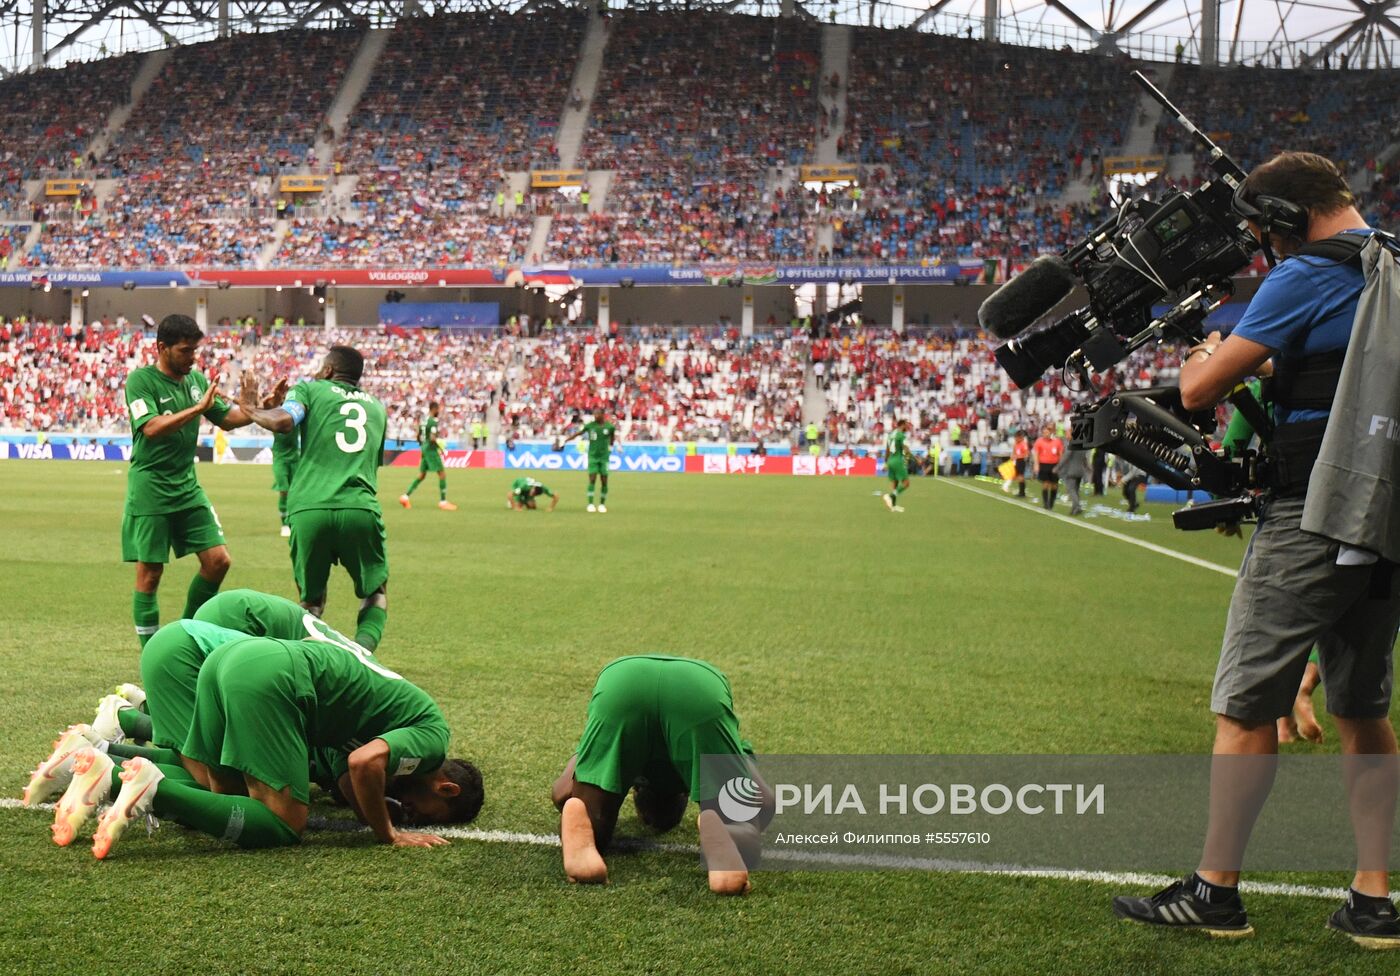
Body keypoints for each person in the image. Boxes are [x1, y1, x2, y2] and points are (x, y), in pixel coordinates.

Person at [1112, 151, 1400, 947]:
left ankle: (1215, 891)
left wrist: (1203, 352)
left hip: (1312, 508)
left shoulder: (1306, 272)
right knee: (1362, 707)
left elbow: (1201, 391)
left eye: (1263, 232)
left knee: (1245, 705)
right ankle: (1375, 899)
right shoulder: (1389, 266)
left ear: (1286, 220)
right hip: (1385, 515)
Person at [58, 631, 483, 859]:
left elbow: (353, 777)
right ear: (446, 788)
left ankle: (106, 768)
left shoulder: (395, 713)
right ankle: (151, 787)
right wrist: (388, 833)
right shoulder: (432, 737)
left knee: (218, 792)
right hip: (273, 678)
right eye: (427, 814)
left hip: (231, 659)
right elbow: (363, 764)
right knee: (285, 824)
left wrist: (370, 807)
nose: (412, 812)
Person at [550, 655, 768, 894]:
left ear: (636, 788)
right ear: (686, 790)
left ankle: (587, 837)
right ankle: (726, 832)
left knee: (593, 826)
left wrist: (574, 798)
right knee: (742, 824)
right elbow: (764, 800)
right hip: (695, 688)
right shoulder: (685, 767)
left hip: (626, 681)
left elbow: (560, 791)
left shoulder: (630, 764)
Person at [235, 347, 391, 652]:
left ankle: (305, 661)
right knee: (375, 593)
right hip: (359, 507)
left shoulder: (309, 389)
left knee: (311, 602)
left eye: (321, 367)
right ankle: (362, 655)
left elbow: (283, 421)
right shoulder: (376, 407)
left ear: (330, 370)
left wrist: (252, 409)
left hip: (309, 510)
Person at [123, 315, 261, 650]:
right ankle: (153, 656)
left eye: (195, 350)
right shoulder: (141, 381)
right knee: (150, 574)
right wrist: (197, 408)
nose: (192, 357)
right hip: (151, 487)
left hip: (187, 486)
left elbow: (228, 419)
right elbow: (151, 427)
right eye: (185, 351)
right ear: (162, 348)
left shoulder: (196, 380)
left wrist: (256, 406)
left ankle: (187, 637)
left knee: (218, 561)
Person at [399, 400, 456, 511]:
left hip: (424, 449)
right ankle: (443, 502)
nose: (439, 411)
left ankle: (405, 497)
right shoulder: (432, 422)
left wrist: (422, 445)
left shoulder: (424, 421)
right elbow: (433, 438)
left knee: (422, 475)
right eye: (438, 409)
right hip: (431, 450)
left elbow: (417, 436)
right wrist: (440, 448)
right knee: (442, 474)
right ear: (433, 409)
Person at [560, 409, 617, 513]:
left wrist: (611, 447)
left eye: (597, 414)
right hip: (592, 456)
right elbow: (579, 433)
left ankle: (602, 504)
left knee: (604, 480)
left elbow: (612, 438)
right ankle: (590, 504)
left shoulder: (610, 427)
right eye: (594, 414)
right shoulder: (590, 426)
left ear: (602, 415)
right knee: (592, 478)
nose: (595, 416)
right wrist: (566, 440)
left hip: (604, 457)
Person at [271, 423, 300, 539]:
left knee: (295, 492)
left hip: (294, 459)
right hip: (280, 460)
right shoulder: (274, 417)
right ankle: (284, 525)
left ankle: (293, 521)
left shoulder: (295, 417)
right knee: (284, 490)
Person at [882, 419, 911, 512]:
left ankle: (893, 506)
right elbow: (906, 449)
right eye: (906, 425)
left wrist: (886, 463)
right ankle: (890, 496)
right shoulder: (901, 435)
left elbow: (887, 450)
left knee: (895, 483)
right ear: (902, 425)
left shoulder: (890, 435)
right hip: (898, 460)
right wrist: (916, 459)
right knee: (906, 483)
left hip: (890, 460)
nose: (907, 427)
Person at [1032, 423, 1064, 510]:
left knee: (1054, 485)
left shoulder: (1057, 441)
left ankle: (1051, 503)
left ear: (1050, 432)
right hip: (1044, 465)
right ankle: (1046, 503)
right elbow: (1036, 453)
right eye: (1044, 433)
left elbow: (1061, 454)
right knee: (1045, 484)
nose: (1045, 434)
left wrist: (1061, 465)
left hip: (1054, 465)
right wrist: (1036, 464)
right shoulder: (1039, 441)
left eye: (1047, 432)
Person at [1057, 443, 1090, 516]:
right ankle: (1075, 507)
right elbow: (1085, 459)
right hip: (1080, 471)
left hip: (1071, 471)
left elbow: (1066, 457)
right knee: (1076, 490)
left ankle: (1077, 507)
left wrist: (1058, 467)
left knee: (1071, 489)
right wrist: (1088, 467)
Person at [1011, 430, 1030, 498]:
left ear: (1020, 437)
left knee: (1021, 476)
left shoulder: (1023, 444)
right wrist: (1013, 456)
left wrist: (1017, 456)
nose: (1015, 439)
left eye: (1017, 437)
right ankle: (1021, 492)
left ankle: (1022, 493)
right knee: (1018, 477)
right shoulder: (1016, 444)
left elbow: (1026, 454)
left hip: (1021, 461)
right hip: (1017, 461)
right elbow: (1014, 452)